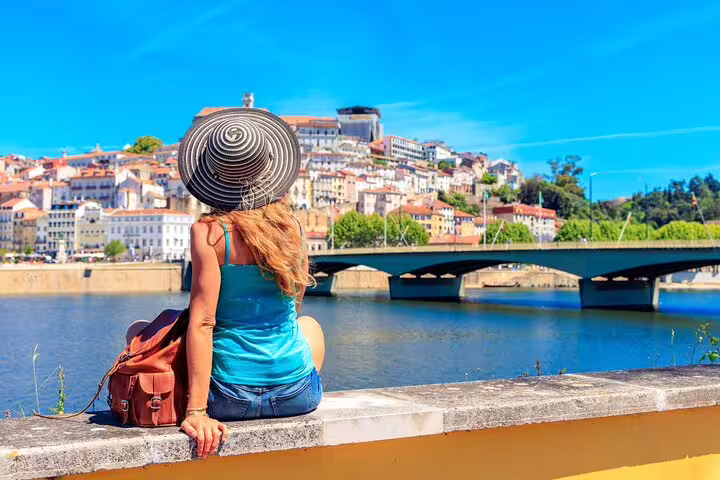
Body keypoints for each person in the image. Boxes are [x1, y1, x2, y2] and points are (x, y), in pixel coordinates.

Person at [126, 108, 325, 459]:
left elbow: (203, 322)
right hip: (298, 396)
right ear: (268, 170)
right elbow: (292, 306)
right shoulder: (290, 228)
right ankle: (285, 381)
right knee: (310, 326)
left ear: (212, 175)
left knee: (137, 330)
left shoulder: (209, 233)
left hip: (229, 398)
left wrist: (197, 412)